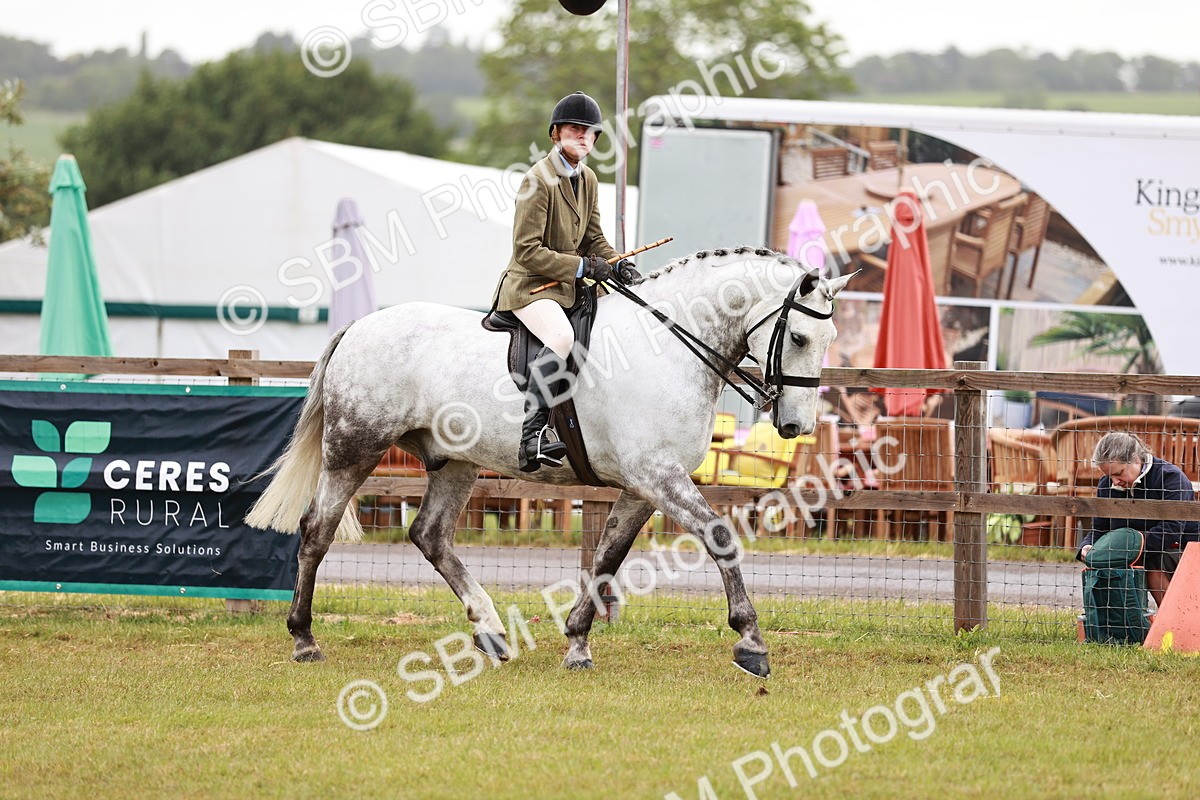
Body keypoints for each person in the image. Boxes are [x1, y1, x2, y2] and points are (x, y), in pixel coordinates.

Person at [491, 91, 641, 473]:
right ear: (556, 133)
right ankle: (532, 435)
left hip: (566, 288)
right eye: (575, 129)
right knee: (561, 338)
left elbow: (593, 238)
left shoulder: (588, 178)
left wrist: (617, 263)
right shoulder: (536, 181)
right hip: (530, 286)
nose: (584, 137)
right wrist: (582, 268)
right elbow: (527, 250)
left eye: (590, 133)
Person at [1077, 432, 1200, 606]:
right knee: (1104, 563)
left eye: (1119, 473)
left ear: (1135, 459)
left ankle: (1171, 618)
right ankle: (1123, 624)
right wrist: (1087, 547)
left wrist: (1125, 549)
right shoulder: (1107, 485)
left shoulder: (1170, 478)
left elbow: (1171, 531)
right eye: (1108, 476)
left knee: (1154, 562)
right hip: (1135, 552)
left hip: (1182, 551)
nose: (1114, 482)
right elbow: (1100, 528)